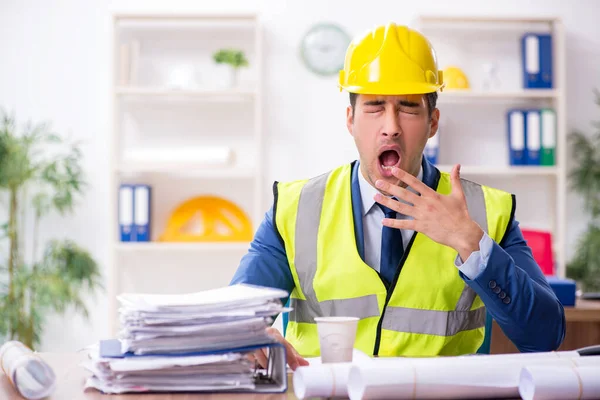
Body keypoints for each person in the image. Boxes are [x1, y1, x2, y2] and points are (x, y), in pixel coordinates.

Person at [230, 22, 565, 370]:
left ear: (433, 122)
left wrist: (471, 242)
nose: (391, 126)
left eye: (408, 107)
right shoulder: (295, 209)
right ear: (350, 119)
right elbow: (233, 319)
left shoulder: (486, 212)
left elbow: (544, 335)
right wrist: (250, 333)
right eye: (374, 106)